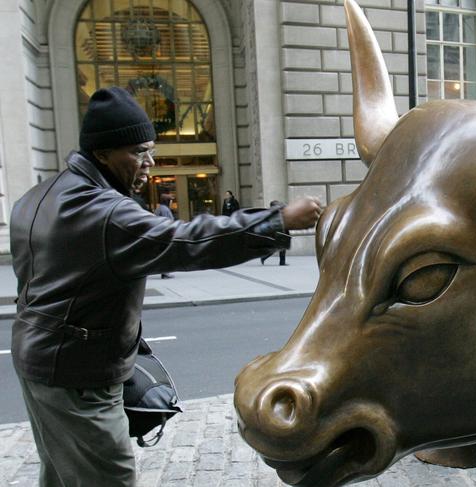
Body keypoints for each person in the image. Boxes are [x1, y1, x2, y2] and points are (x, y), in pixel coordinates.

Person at [9, 86, 322, 487]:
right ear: (103, 153)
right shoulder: (106, 213)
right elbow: (186, 241)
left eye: (150, 150)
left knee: (62, 473)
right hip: (76, 377)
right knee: (106, 478)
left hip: (38, 362)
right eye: (139, 152)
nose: (149, 163)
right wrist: (277, 223)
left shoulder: (37, 197)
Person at [154, 194, 175, 279]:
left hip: (160, 234)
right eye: (170, 201)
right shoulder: (165, 210)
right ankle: (165, 272)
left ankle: (164, 271)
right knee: (166, 253)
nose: (171, 202)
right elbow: (168, 222)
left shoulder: (159, 208)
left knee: (163, 253)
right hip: (165, 234)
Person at [261, 200, 288, 266]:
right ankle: (265, 256)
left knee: (282, 246)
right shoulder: (272, 213)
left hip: (281, 230)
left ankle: (282, 262)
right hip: (278, 231)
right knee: (279, 246)